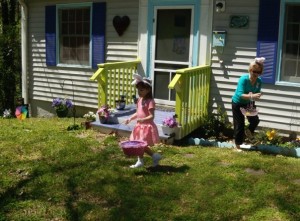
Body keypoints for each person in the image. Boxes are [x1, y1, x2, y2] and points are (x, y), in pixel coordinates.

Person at [125, 73, 162, 168]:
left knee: (140, 144)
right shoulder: (140, 100)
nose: (139, 92)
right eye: (138, 90)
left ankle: (152, 157)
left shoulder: (150, 102)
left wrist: (143, 119)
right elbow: (138, 113)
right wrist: (130, 118)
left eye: (141, 90)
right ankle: (144, 159)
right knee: (139, 144)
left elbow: (151, 116)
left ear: (148, 90)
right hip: (139, 126)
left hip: (147, 127)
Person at [232, 57, 265, 151]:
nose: (256, 74)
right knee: (239, 124)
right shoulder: (243, 79)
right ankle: (237, 146)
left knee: (255, 120)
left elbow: (256, 92)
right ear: (250, 70)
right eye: (254, 71)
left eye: (259, 72)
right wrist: (252, 96)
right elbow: (239, 94)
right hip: (238, 103)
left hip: (249, 103)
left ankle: (249, 132)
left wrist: (258, 95)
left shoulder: (259, 81)